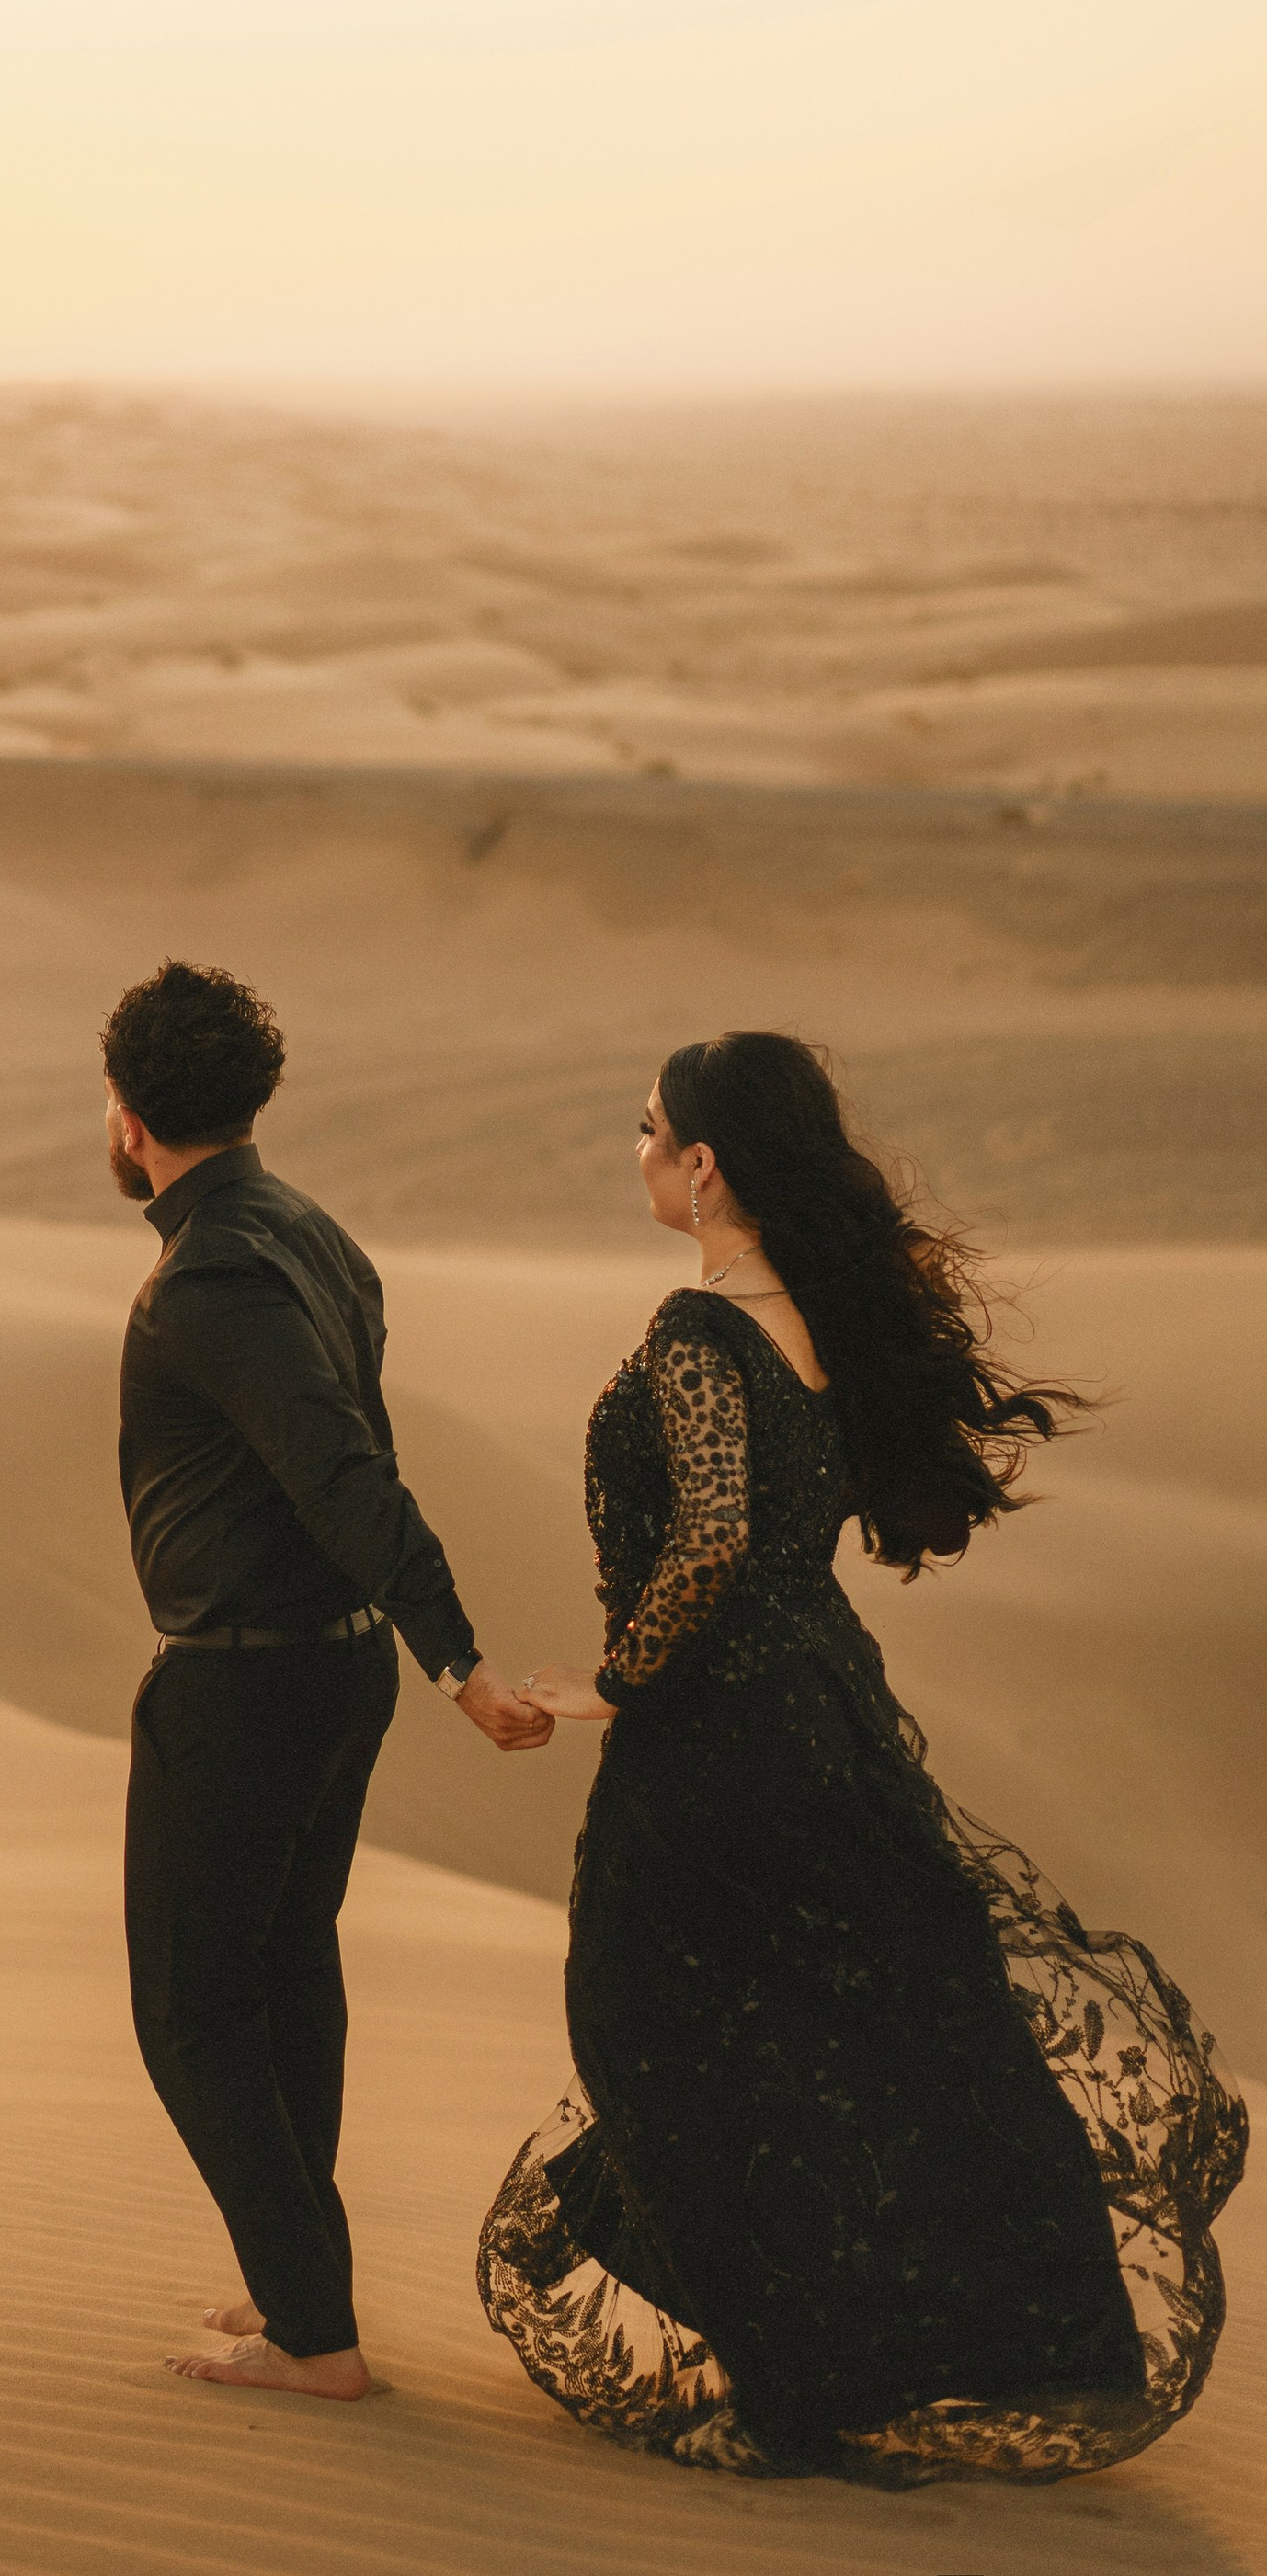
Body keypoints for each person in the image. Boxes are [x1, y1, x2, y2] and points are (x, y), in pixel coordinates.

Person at [490, 1031, 1246, 2484]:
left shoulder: (703, 1331)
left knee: (646, 2015)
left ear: (705, 1164)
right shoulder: (816, 1325)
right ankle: (884, 2345)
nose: (637, 1150)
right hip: (821, 1705)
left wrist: (615, 1680)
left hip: (718, 1730)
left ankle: (794, 2387)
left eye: (647, 1129)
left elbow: (710, 1533)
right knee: (830, 2024)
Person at [104, 958, 551, 2403]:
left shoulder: (218, 1274)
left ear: (126, 1111)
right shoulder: (311, 1232)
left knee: (189, 2008)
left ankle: (315, 2331)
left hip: (248, 1685)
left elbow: (342, 1472)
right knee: (289, 1971)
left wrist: (463, 1657)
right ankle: (301, 2282)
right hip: (324, 1674)